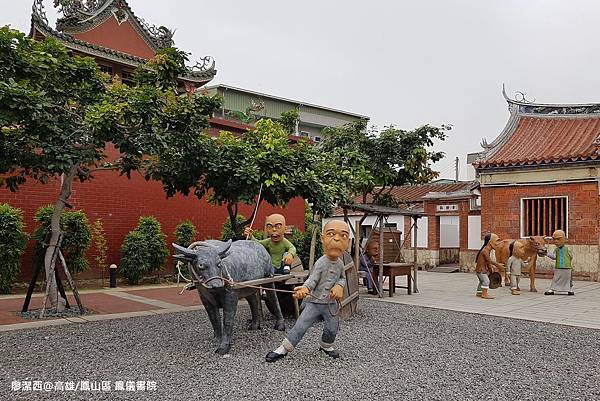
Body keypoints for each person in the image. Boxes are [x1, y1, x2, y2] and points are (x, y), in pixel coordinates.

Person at [265, 220, 349, 362]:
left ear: (348, 242)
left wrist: (340, 286)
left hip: (330, 304)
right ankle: (284, 348)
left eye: (343, 236)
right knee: (301, 325)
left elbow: (342, 278)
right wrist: (304, 288)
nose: (336, 239)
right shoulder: (321, 263)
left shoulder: (340, 264)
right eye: (331, 234)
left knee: (333, 327)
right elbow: (312, 280)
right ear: (322, 238)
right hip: (314, 302)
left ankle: (326, 345)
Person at [544, 230, 574, 296]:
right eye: (554, 239)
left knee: (568, 279)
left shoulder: (567, 249)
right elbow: (554, 257)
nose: (556, 241)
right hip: (558, 267)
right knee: (556, 278)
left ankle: (569, 289)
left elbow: (571, 256)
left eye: (558, 239)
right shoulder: (556, 250)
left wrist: (567, 262)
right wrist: (547, 253)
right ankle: (552, 289)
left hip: (567, 267)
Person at [475, 233, 504, 299]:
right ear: (490, 242)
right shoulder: (485, 251)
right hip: (481, 270)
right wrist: (498, 265)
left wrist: (490, 267)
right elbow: (489, 260)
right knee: (486, 281)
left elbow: (487, 261)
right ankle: (484, 294)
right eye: (497, 241)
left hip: (481, 269)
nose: (498, 243)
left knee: (482, 281)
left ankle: (479, 292)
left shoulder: (487, 250)